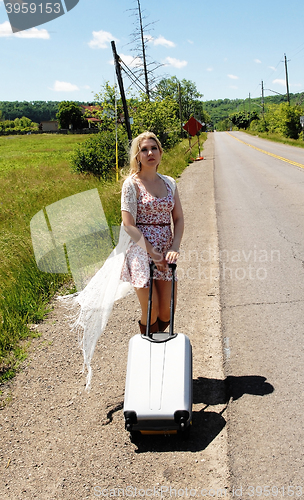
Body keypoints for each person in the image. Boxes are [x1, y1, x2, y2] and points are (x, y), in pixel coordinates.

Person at [120, 131, 184, 334]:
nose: (150, 153)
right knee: (152, 309)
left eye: (153, 148)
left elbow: (179, 218)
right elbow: (128, 225)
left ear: (160, 152)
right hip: (141, 249)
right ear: (137, 156)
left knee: (166, 312)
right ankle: (150, 348)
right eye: (144, 149)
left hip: (165, 249)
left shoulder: (169, 182)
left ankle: (158, 339)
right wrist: (152, 253)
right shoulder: (131, 184)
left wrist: (174, 247)